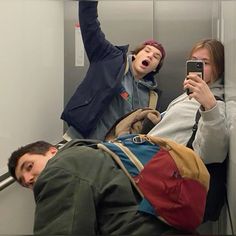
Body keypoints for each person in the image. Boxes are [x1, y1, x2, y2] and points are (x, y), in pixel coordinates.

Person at [8, 140, 178, 235]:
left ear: (53, 151)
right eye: (24, 182)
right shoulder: (95, 153)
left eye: (29, 166)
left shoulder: (60, 169)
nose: (29, 179)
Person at [61, 1, 166, 141]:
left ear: (156, 67)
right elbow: (90, 27)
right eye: (147, 51)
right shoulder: (110, 59)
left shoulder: (152, 97)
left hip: (115, 152)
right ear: (135, 54)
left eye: (156, 57)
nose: (150, 56)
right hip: (82, 139)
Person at [148, 38, 228, 164]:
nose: (198, 66)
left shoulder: (214, 103)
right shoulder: (188, 95)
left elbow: (212, 156)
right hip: (147, 155)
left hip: (160, 165)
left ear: (218, 68)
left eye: (205, 63)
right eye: (194, 60)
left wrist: (210, 107)